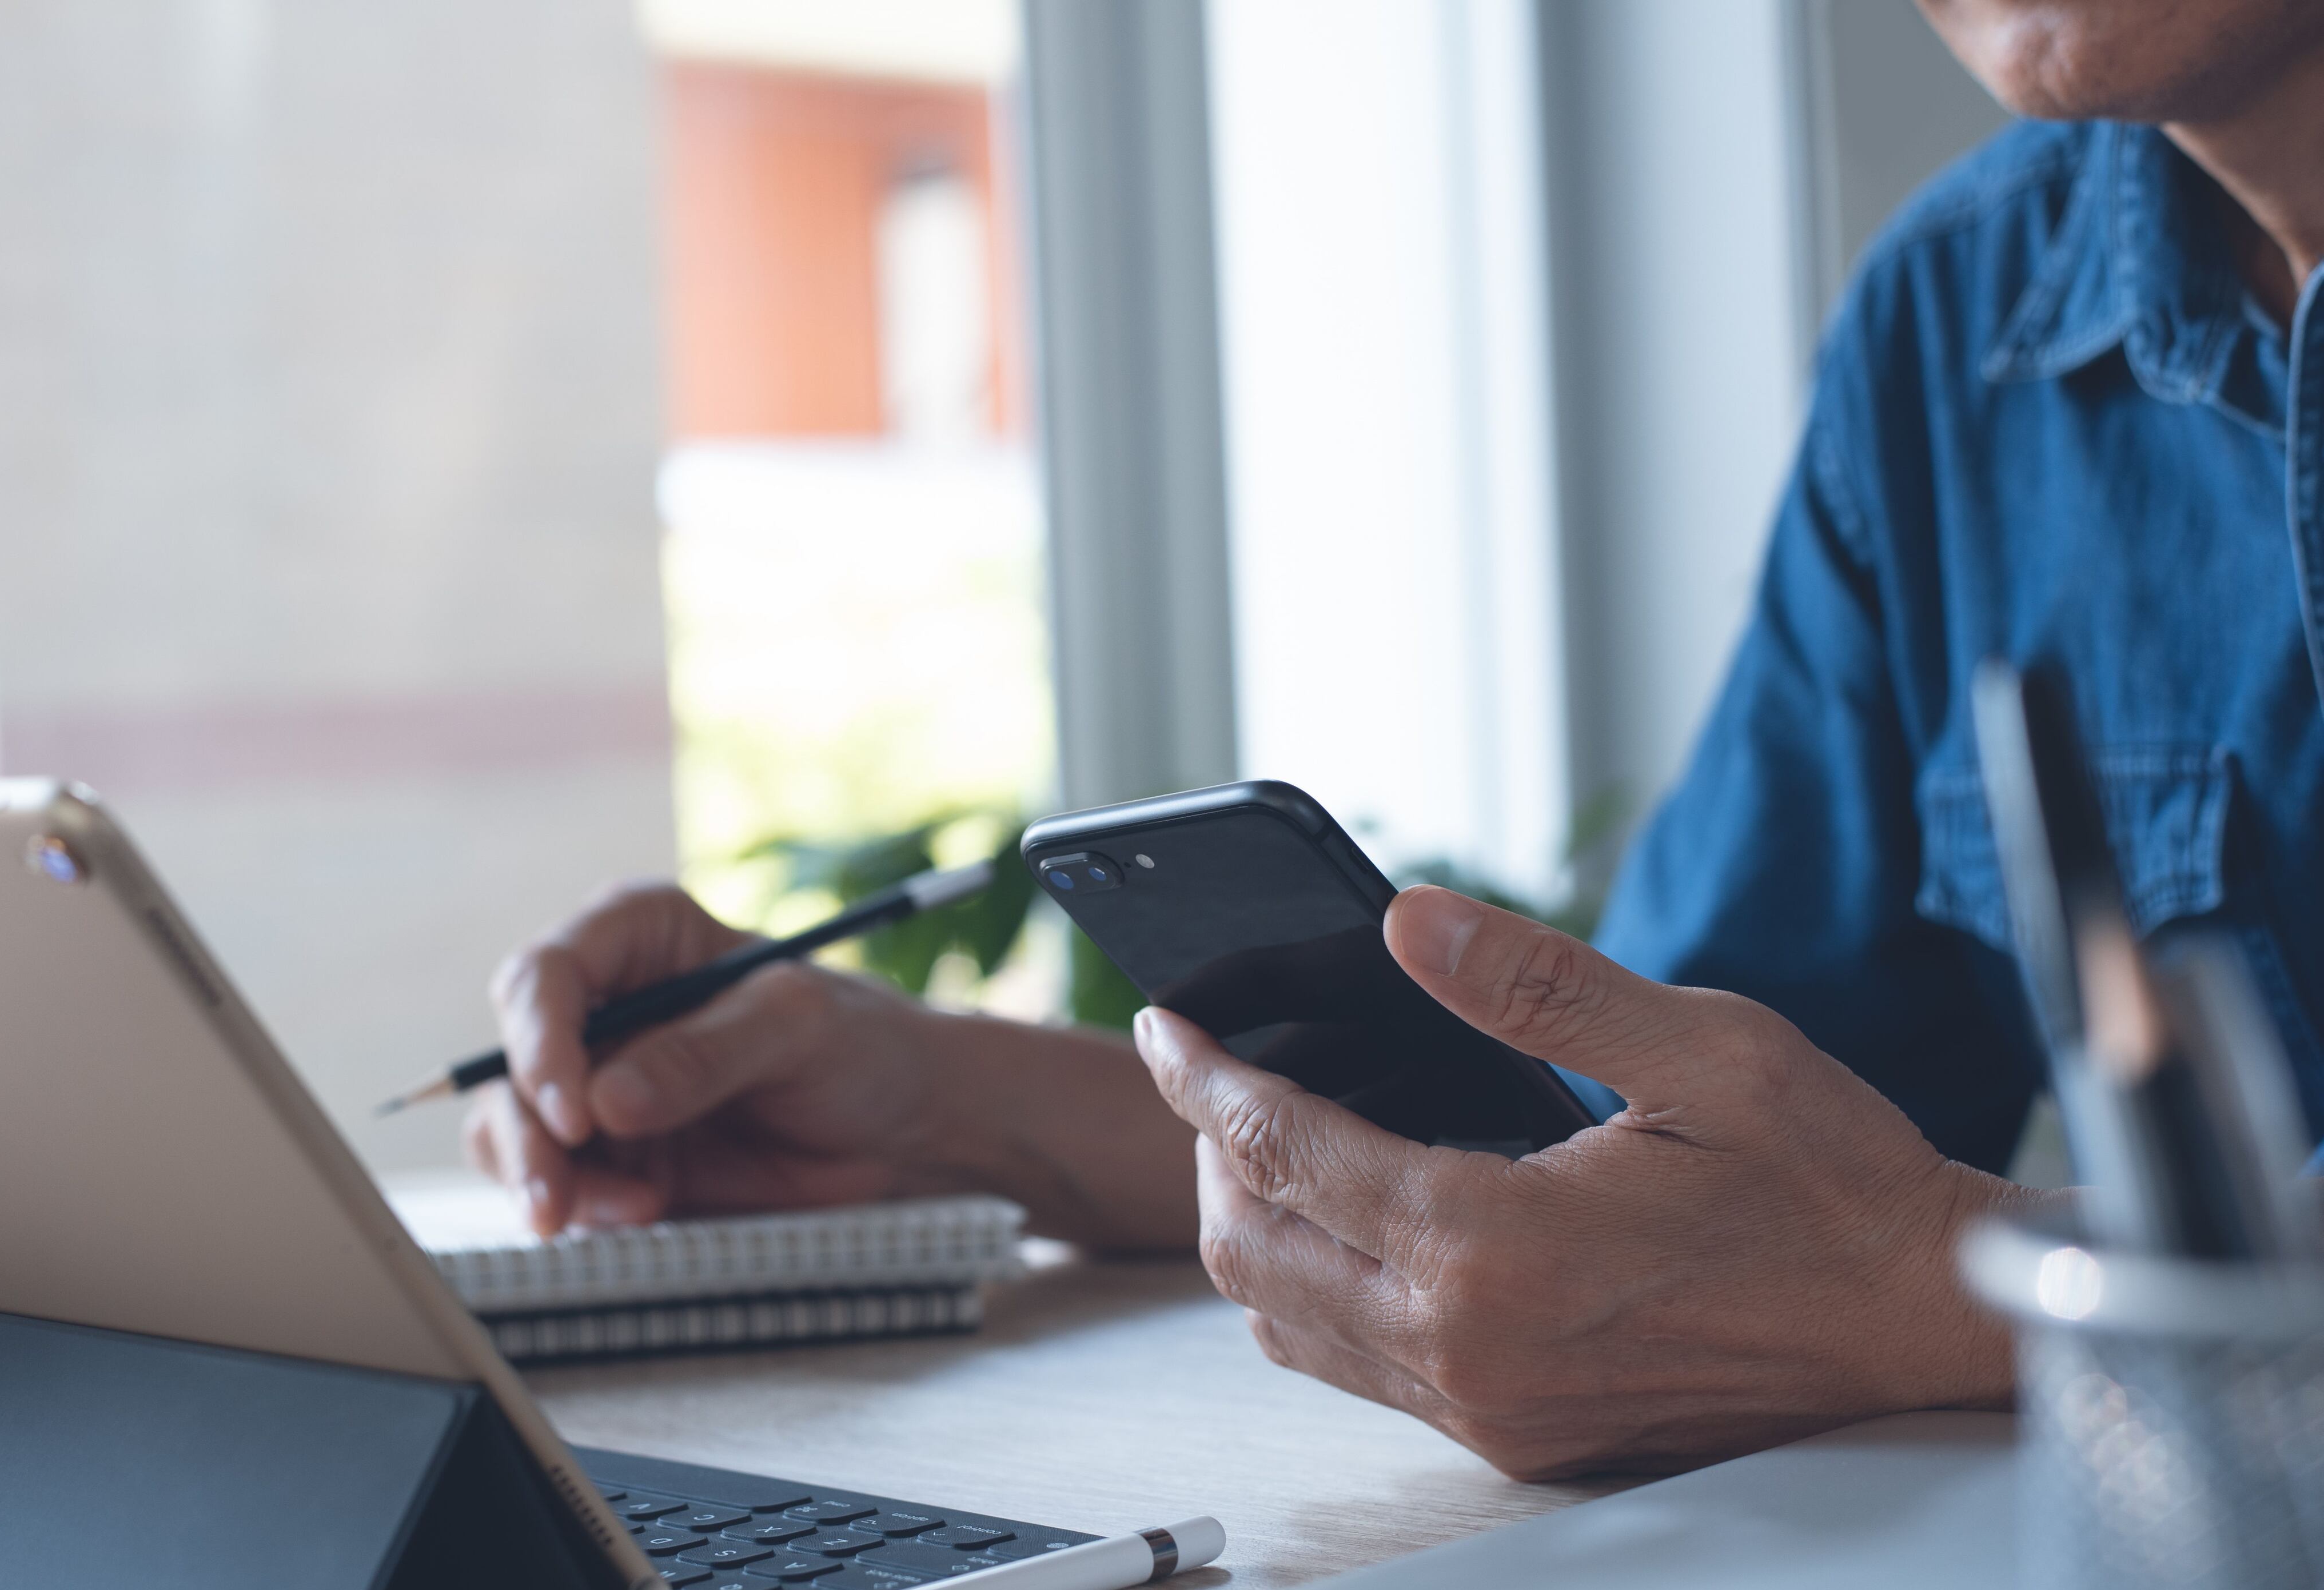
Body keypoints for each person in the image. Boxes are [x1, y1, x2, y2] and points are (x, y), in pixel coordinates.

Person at [466, 0, 2324, 1480]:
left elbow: (1859, 1260)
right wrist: (952, 1111)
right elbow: (1655, 1128)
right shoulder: (1967, 328)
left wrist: (1943, 1306)